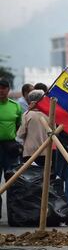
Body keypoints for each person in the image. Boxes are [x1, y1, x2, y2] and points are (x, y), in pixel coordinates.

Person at [0, 78, 22, 219]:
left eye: (3, 88)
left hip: (10, 147)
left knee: (13, 183)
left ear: (8, 89)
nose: (1, 90)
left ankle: (14, 214)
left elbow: (19, 125)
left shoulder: (16, 106)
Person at [16, 90, 48, 166]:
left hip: (30, 151)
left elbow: (20, 134)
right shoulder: (48, 114)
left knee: (30, 176)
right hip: (46, 151)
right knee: (45, 175)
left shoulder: (27, 115)